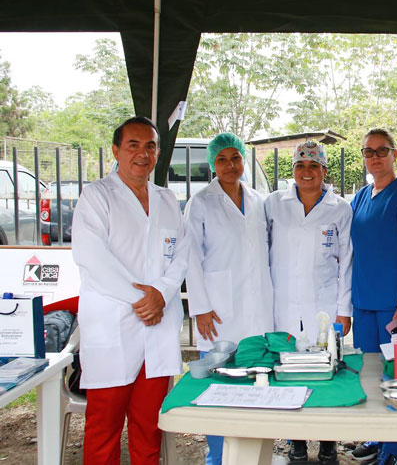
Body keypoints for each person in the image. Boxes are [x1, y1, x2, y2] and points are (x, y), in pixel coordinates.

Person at [72, 117, 189, 464]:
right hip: (114, 324)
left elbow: (182, 253)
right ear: (116, 151)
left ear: (158, 153)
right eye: (133, 145)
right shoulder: (97, 196)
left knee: (149, 428)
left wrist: (161, 293)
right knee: (103, 427)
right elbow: (92, 257)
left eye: (150, 146)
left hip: (158, 326)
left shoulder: (167, 199)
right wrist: (143, 300)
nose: (143, 154)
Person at [184, 132, 275, 465]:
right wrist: (201, 308)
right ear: (212, 164)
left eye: (235, 157)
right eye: (221, 159)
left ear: (243, 160)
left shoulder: (259, 200)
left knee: (258, 382)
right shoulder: (201, 202)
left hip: (258, 307)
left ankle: (255, 453)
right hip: (218, 309)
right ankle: (218, 456)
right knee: (218, 386)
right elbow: (190, 257)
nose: (229, 165)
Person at [265, 141, 353, 465]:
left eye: (314, 166)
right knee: (290, 372)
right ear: (292, 170)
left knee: (326, 372)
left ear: (324, 171)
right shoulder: (274, 204)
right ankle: (297, 442)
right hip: (285, 305)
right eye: (300, 166)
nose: (306, 172)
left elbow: (347, 262)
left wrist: (344, 310)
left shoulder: (340, 208)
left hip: (324, 305)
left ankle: (328, 443)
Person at [349, 128, 397, 465]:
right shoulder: (361, 197)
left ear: (395, 154)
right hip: (365, 302)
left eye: (382, 150)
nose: (375, 157)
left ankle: (393, 450)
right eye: (368, 151)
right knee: (370, 376)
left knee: (396, 377)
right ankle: (377, 435)